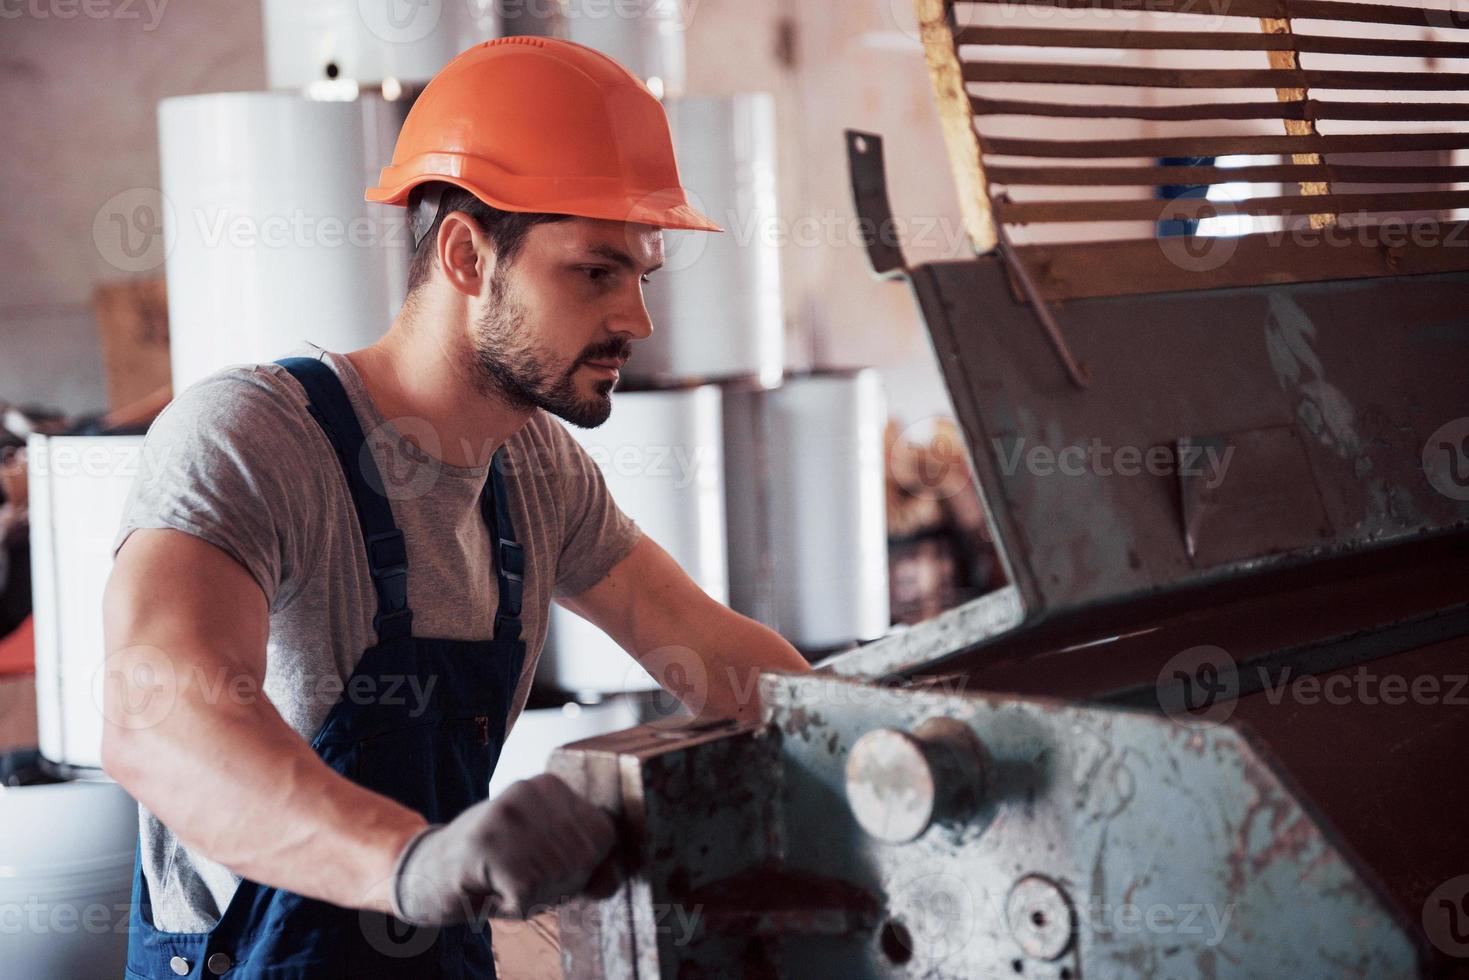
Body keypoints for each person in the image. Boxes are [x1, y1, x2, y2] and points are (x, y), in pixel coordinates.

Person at [103, 37, 810, 978]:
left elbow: (713, 655)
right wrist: (417, 862)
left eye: (643, 274)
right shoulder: (252, 437)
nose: (637, 318)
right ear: (468, 256)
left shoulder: (535, 469)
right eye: (596, 272)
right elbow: (156, 721)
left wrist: (875, 745)